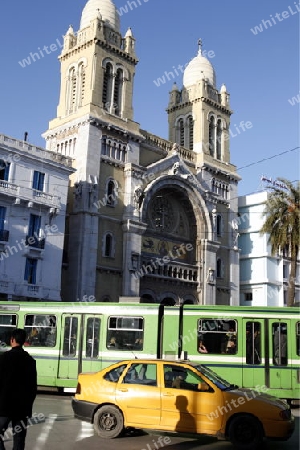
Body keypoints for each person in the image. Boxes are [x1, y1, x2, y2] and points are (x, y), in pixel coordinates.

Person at [0, 328, 37, 450]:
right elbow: (33, 388)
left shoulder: (4, 358)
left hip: (4, 407)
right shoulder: (30, 361)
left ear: (12, 340)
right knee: (19, 439)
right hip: (22, 409)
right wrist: (28, 405)